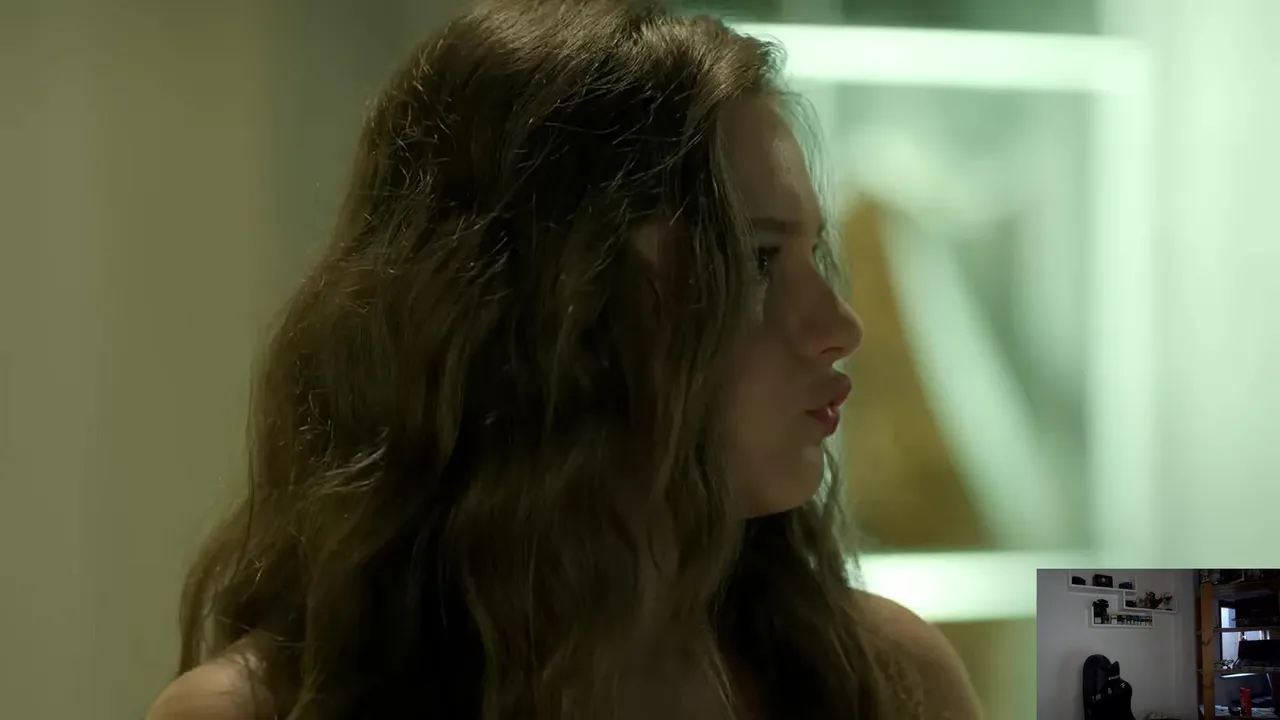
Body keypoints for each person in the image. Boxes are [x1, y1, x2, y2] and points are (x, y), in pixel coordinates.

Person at [147, 0, 981, 718]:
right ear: (552, 309)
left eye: (812, 255)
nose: (838, 325)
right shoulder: (263, 710)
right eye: (757, 261)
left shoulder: (884, 681)